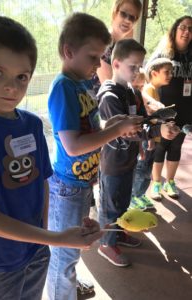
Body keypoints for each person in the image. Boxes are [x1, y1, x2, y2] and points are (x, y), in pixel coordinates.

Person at [0, 16, 104, 300]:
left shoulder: (32, 124)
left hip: (35, 252)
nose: (11, 86)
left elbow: (41, 185)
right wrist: (56, 238)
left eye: (21, 76)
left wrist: (45, 238)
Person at [46, 13, 143, 300]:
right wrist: (116, 131)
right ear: (68, 52)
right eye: (93, 57)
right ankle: (61, 293)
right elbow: (74, 146)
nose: (97, 65)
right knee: (64, 253)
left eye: (101, 57)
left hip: (82, 183)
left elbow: (90, 129)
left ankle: (69, 285)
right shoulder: (64, 87)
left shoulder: (83, 85)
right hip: (67, 186)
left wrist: (114, 125)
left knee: (77, 245)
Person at [97, 39, 179, 267]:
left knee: (123, 201)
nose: (137, 71)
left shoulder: (133, 91)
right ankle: (106, 243)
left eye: (140, 66)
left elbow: (143, 120)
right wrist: (155, 132)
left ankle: (119, 233)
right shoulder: (109, 96)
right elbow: (127, 130)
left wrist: (158, 127)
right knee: (109, 206)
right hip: (112, 163)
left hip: (129, 160)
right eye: (132, 66)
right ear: (115, 64)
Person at [147, 15, 192, 200]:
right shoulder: (163, 52)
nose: (187, 32)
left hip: (186, 108)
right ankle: (157, 183)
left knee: (176, 146)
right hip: (164, 108)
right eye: (183, 27)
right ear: (175, 30)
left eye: (190, 29)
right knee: (161, 146)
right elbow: (148, 71)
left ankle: (170, 182)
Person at [131, 58, 174, 209]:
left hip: (152, 136)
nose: (140, 88)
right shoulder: (147, 91)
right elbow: (147, 117)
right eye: (138, 86)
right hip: (146, 136)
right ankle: (134, 197)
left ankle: (140, 194)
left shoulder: (152, 91)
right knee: (141, 169)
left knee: (147, 170)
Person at [92, 0, 142, 93]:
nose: (128, 20)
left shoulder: (122, 46)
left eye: (132, 18)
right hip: (94, 103)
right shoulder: (103, 42)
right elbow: (109, 84)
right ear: (115, 12)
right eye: (123, 14)